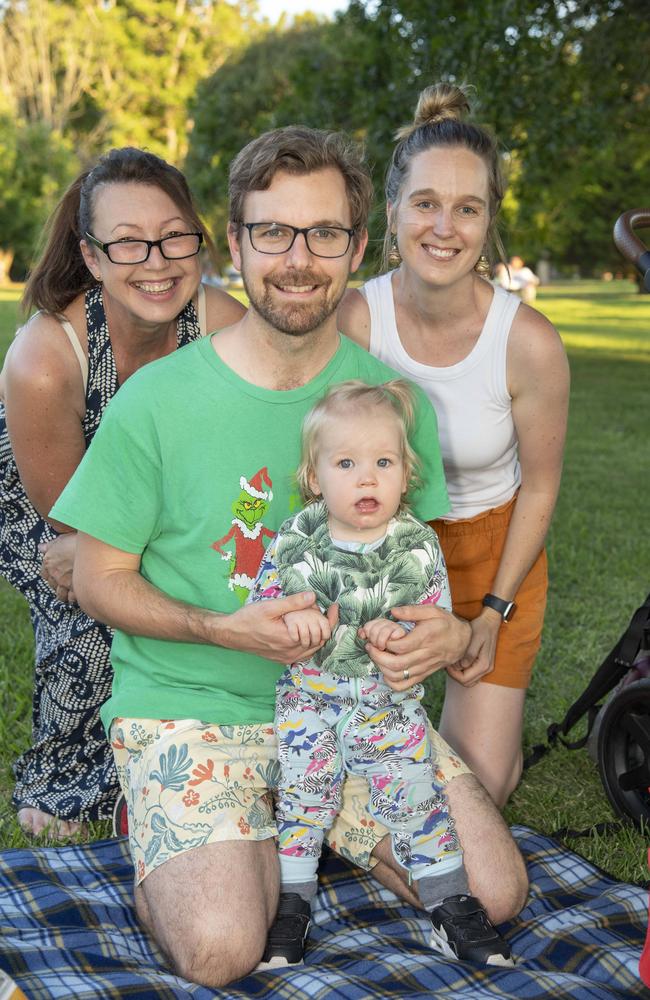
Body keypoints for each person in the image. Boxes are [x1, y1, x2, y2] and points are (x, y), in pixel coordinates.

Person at [51, 125, 527, 989]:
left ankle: (290, 829)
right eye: (273, 232)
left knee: (493, 895)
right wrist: (222, 628)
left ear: (357, 246)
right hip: (192, 702)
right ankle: (191, 831)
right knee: (223, 948)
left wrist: (442, 636)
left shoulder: (391, 403)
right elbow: (95, 578)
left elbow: (421, 581)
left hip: (352, 706)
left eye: (324, 235)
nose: (298, 259)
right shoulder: (156, 402)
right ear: (234, 242)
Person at [0, 147, 245, 838]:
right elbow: (71, 521)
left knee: (209, 583)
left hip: (164, 495)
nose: (157, 260)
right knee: (93, 606)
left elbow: (241, 455)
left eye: (173, 237)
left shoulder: (221, 323)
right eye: (129, 243)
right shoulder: (45, 359)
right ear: (94, 255)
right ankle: (64, 780)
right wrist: (115, 558)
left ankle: (196, 738)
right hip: (46, 497)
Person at [339, 82, 570, 808]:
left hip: (489, 560)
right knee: (349, 763)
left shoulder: (527, 342)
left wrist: (490, 615)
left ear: (489, 220)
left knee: (480, 790)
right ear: (394, 212)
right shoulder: (355, 320)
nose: (445, 226)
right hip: (375, 553)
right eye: (427, 203)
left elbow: (540, 485)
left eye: (467, 208)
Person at [249, 378, 513, 969]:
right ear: (316, 478)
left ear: (405, 473)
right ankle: (293, 902)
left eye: (383, 462)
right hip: (310, 700)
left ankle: (450, 904)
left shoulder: (416, 544)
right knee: (303, 800)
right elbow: (270, 608)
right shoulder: (297, 539)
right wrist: (302, 624)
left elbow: (432, 619)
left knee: (416, 797)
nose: (366, 479)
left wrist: (406, 635)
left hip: (384, 703)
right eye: (346, 463)